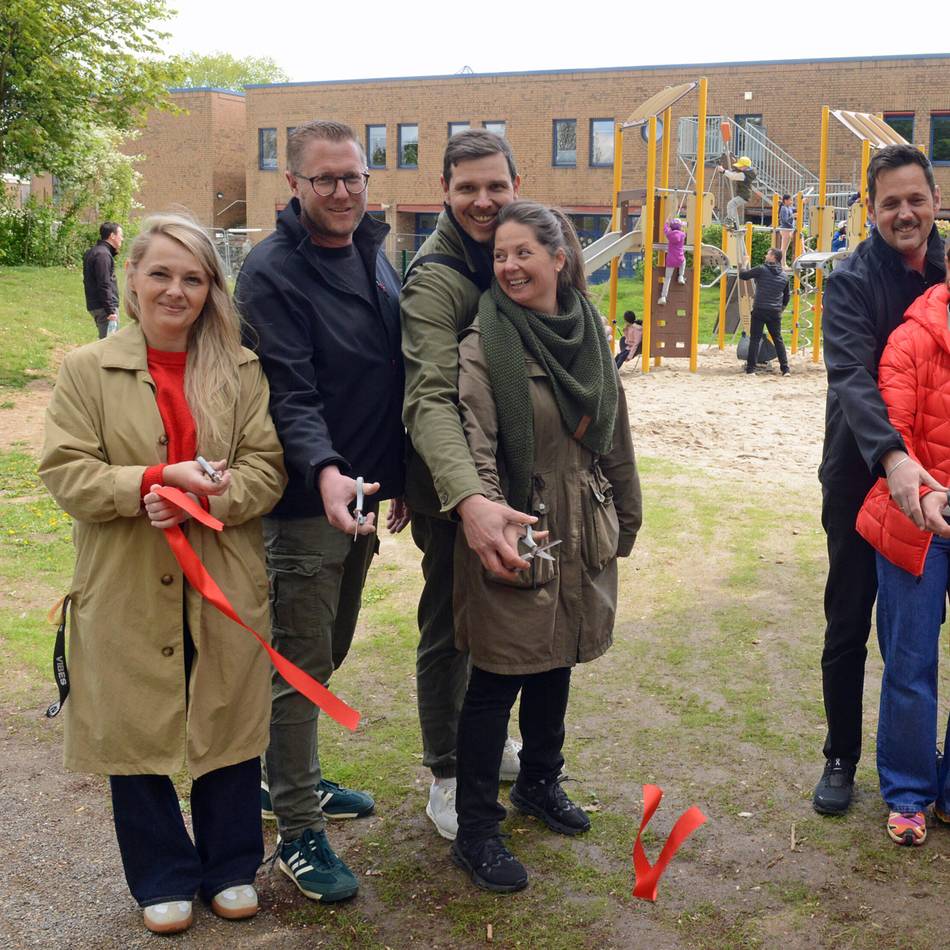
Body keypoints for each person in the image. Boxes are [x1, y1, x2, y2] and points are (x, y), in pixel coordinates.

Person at [39, 213, 287, 935]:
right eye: (161, 275)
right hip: (124, 579)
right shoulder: (87, 370)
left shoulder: (241, 368)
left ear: (212, 288)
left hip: (224, 575)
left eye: (193, 277)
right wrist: (146, 481)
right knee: (134, 724)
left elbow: (266, 469)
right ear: (134, 281)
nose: (176, 290)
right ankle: (161, 875)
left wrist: (213, 496)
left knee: (229, 718)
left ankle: (231, 865)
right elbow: (65, 472)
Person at [235, 119, 408, 903]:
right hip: (310, 499)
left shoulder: (374, 248)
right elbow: (290, 392)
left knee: (327, 648)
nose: (342, 191)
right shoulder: (272, 271)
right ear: (294, 186)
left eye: (354, 177)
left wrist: (395, 472)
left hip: (365, 495)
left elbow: (390, 370)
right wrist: (329, 471)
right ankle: (299, 828)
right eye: (325, 179)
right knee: (300, 667)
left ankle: (286, 780)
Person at [450, 200, 641, 892]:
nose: (508, 266)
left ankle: (539, 782)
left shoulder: (589, 332)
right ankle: (476, 829)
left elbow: (613, 430)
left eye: (522, 252)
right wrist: (494, 518)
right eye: (499, 255)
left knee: (558, 655)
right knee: (498, 677)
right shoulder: (485, 342)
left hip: (581, 518)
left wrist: (628, 507)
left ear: (559, 258)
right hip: (516, 521)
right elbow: (473, 439)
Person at [401, 130, 535, 842]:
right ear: (445, 193)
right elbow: (429, 396)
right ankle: (447, 772)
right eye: (466, 189)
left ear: (516, 184)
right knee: (450, 624)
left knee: (502, 618)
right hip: (451, 485)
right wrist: (467, 497)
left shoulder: (511, 251)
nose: (482, 201)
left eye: (495, 186)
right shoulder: (438, 278)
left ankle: (493, 744)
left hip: (506, 474)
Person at [814, 143, 946, 816]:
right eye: (890, 202)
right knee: (848, 624)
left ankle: (931, 775)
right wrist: (893, 460)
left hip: (939, 486)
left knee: (914, 638)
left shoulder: (948, 269)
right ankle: (841, 754)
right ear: (871, 209)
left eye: (915, 199)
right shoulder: (852, 279)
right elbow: (853, 380)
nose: (905, 213)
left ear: (933, 200)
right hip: (863, 474)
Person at [854, 242, 950, 846]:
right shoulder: (913, 337)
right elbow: (896, 430)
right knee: (911, 662)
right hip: (918, 515)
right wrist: (924, 492)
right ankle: (910, 792)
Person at [739, 247, 791, 376]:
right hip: (775, 312)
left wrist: (745, 263)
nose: (765, 255)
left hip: (760, 309)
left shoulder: (762, 269)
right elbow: (786, 297)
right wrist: (781, 309)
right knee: (778, 339)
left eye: (768, 253)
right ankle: (785, 369)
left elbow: (743, 275)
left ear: (773, 257)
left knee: (755, 339)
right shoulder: (784, 276)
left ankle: (751, 369)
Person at [82, 221, 123, 338]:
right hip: (104, 308)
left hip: (97, 305)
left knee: (107, 344)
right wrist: (110, 310)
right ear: (112, 236)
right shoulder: (103, 255)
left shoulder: (94, 252)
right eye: (121, 235)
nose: (122, 239)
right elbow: (104, 283)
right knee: (109, 346)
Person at [717, 156, 758, 229]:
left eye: (740, 166)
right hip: (743, 194)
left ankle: (729, 221)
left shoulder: (744, 175)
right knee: (732, 207)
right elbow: (734, 172)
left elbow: (733, 176)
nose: (738, 168)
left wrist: (723, 171)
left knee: (731, 204)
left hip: (744, 195)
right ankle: (734, 222)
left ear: (745, 167)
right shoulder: (746, 172)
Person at [657, 218, 686, 306]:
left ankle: (663, 297)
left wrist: (666, 223)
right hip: (679, 258)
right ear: (680, 227)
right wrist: (682, 226)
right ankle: (681, 276)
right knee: (684, 261)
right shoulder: (682, 234)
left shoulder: (669, 234)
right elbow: (684, 229)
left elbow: (665, 229)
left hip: (670, 260)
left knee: (667, 278)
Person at [778, 194, 795, 267]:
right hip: (785, 229)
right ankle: (783, 264)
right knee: (783, 248)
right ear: (785, 200)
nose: (791, 202)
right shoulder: (784, 208)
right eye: (790, 200)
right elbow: (785, 220)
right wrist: (792, 217)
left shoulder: (789, 208)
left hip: (789, 229)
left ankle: (783, 264)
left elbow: (796, 208)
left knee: (785, 248)